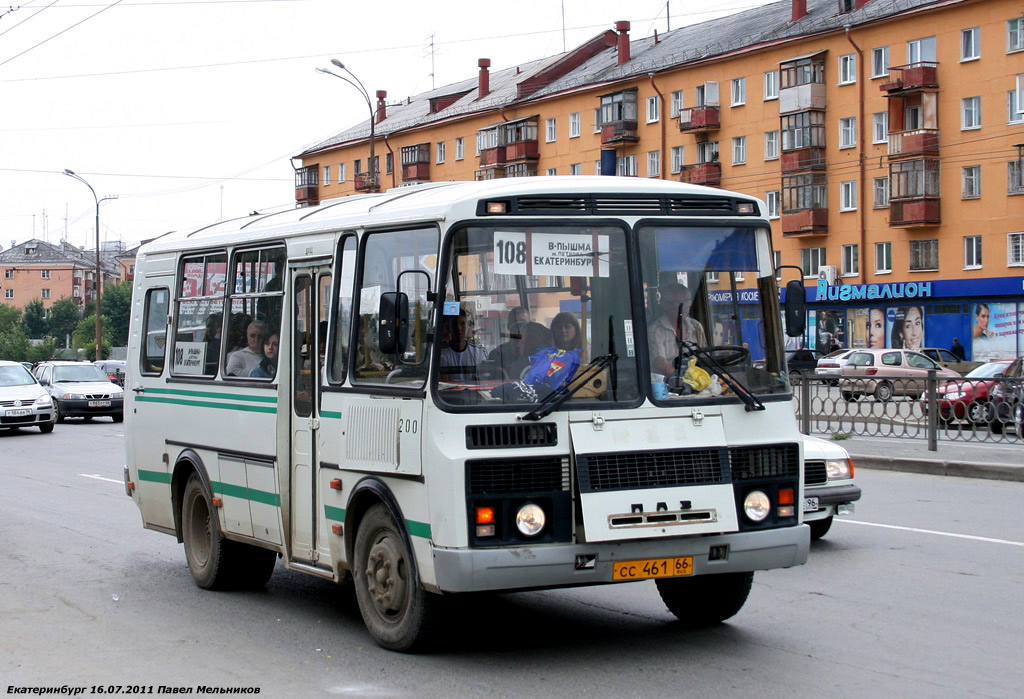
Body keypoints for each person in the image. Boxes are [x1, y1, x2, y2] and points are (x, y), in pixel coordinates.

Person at [649, 282, 707, 379]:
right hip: (669, 385)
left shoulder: (696, 326)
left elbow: (704, 357)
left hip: (697, 381)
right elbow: (659, 363)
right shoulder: (656, 330)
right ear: (664, 304)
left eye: (687, 302)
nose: (684, 307)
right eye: (678, 304)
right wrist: (683, 379)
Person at [521, 312, 584, 392]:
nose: (563, 330)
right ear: (553, 330)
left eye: (567, 327)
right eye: (559, 327)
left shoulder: (585, 353)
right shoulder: (546, 353)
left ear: (576, 329)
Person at [439, 308, 487, 381]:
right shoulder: (442, 354)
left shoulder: (478, 352)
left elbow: (484, 379)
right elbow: (444, 382)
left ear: (467, 326)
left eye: (462, 324)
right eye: (455, 324)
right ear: (448, 327)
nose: (459, 329)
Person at [487, 307, 532, 378]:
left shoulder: (537, 354)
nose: (519, 328)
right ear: (508, 326)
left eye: (523, 323)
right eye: (515, 324)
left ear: (530, 326)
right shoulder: (497, 354)